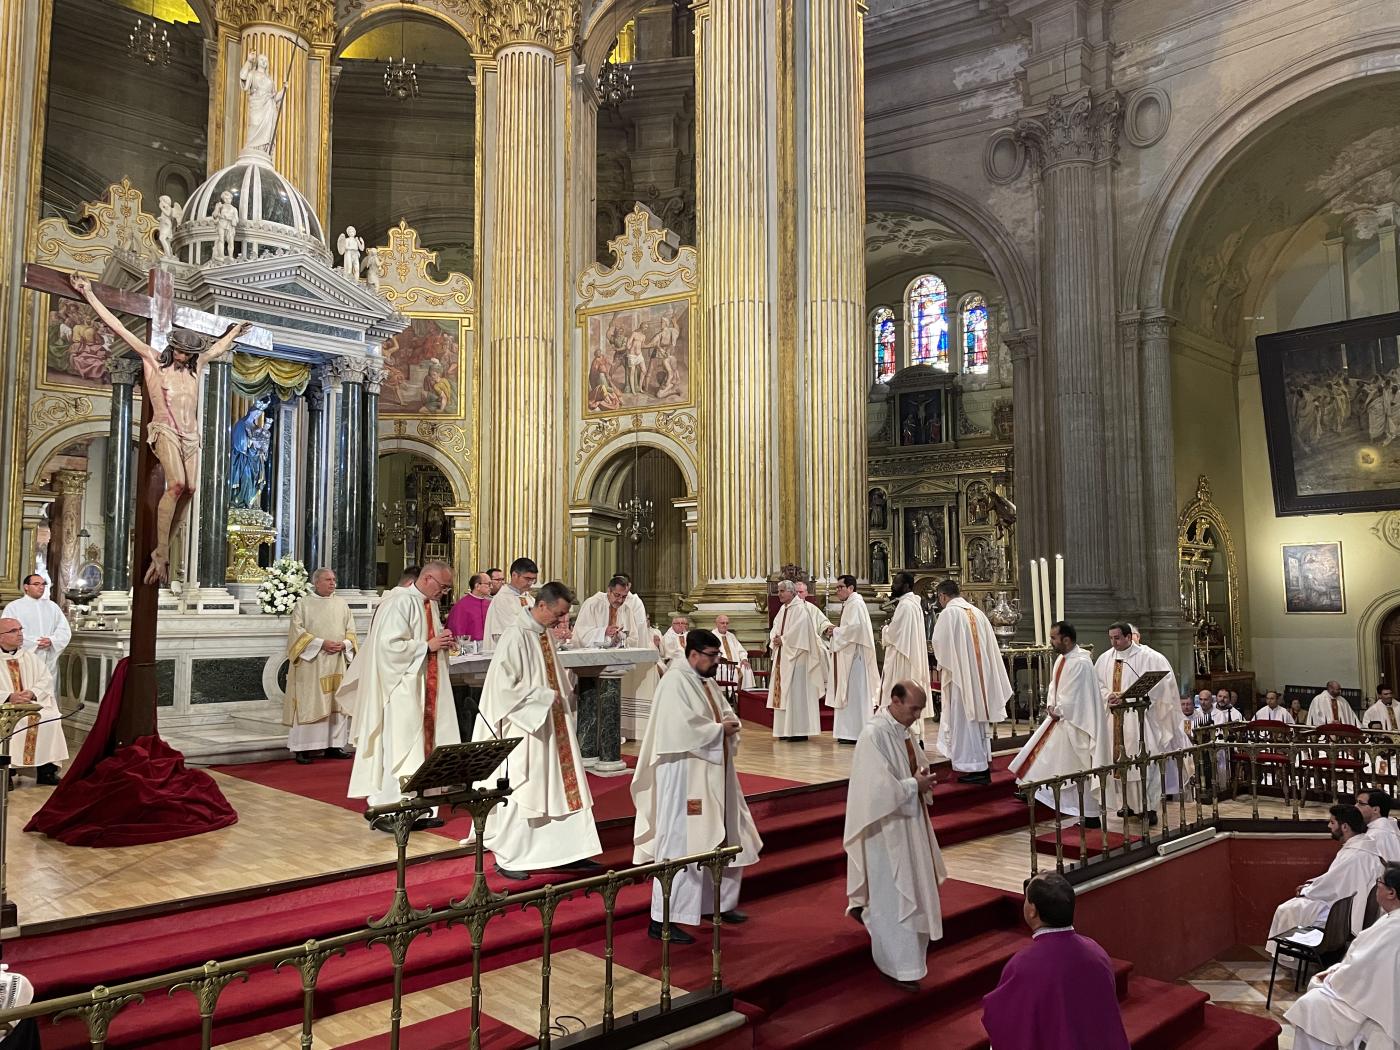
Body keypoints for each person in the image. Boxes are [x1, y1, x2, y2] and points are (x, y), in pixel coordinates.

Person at [70, 274, 250, 585]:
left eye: (188, 353)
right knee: (177, 484)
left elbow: (218, 348)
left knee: (191, 490)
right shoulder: (153, 362)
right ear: (172, 347)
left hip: (191, 437)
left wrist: (234, 331)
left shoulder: (196, 369)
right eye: (180, 351)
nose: (184, 356)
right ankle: (161, 550)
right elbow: (119, 328)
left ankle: (165, 548)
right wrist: (89, 293)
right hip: (165, 429)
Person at [630, 629, 762, 943]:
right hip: (684, 776)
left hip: (714, 770)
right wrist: (719, 730)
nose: (717, 662)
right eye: (712, 656)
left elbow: (724, 712)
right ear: (694, 655)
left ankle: (716, 903)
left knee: (726, 832)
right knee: (682, 842)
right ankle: (662, 918)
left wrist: (728, 726)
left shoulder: (704, 680)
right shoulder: (676, 682)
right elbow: (680, 728)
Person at [474, 582, 602, 880]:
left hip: (553, 726)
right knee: (526, 788)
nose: (560, 620)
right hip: (526, 730)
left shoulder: (542, 633)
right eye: (558, 613)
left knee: (561, 788)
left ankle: (566, 851)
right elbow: (502, 688)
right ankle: (511, 855)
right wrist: (543, 698)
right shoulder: (515, 636)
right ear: (542, 606)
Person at [844, 680, 946, 989]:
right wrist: (916, 785)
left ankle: (911, 960)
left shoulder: (904, 732)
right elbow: (876, 791)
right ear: (895, 701)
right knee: (894, 897)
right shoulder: (873, 735)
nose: (917, 715)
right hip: (886, 832)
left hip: (910, 824)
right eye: (913, 708)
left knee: (912, 890)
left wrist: (923, 780)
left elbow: (916, 768)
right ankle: (896, 964)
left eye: (920, 710)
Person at [347, 561, 461, 827]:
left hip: (425, 687)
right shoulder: (399, 602)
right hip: (400, 691)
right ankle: (388, 810)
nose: (444, 593)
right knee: (400, 748)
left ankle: (417, 809)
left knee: (422, 750)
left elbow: (427, 641)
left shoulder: (429, 604)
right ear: (428, 578)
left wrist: (442, 641)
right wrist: (428, 645)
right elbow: (388, 647)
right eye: (443, 587)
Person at [980, 873, 1131, 1050]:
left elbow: (1004, 1019)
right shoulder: (1096, 952)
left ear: (1032, 910)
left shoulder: (1024, 965)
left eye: (1026, 898)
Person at [1284, 861, 1400, 1050]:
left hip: (1382, 1009)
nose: (1376, 887)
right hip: (1385, 996)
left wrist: (1332, 977)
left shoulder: (1391, 930)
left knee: (1311, 1006)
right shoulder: (1392, 920)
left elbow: (1360, 973)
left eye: (1379, 883)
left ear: (1391, 893)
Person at [1010, 621, 1112, 828]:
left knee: (1076, 769)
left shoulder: (1081, 663)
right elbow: (1054, 686)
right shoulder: (1063, 659)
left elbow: (1078, 697)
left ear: (1066, 639)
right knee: (1045, 758)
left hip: (1076, 724)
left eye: (1054, 638)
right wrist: (1051, 704)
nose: (1051, 642)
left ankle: (1091, 816)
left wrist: (1060, 709)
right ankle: (1034, 790)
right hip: (1061, 718)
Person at [1094, 621, 1184, 821]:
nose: (1114, 642)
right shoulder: (1104, 659)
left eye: (1117, 638)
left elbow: (1163, 684)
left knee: (1144, 763)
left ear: (1128, 636)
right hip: (1114, 718)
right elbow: (1097, 684)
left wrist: (1136, 696)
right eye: (1111, 638)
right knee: (1119, 763)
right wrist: (1107, 695)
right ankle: (1126, 804)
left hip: (1141, 718)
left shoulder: (1150, 657)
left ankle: (1149, 807)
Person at [1268, 804, 1384, 954]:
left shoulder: (1354, 855)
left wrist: (1308, 889)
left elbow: (1332, 886)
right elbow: (1336, 879)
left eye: (1332, 822)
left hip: (1345, 914)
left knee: (1287, 909)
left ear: (1345, 827)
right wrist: (1313, 883)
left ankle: (1292, 959)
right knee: (1296, 907)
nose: (1329, 826)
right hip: (1351, 906)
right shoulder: (1363, 846)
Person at [931, 579, 1011, 784]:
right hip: (979, 677)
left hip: (961, 679)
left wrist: (943, 665)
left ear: (942, 596)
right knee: (976, 721)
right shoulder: (977, 612)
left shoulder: (949, 613)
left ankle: (973, 766)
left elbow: (939, 643)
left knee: (964, 720)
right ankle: (981, 763)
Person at [284, 568, 357, 764]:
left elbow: (351, 631)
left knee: (336, 703)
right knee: (310, 702)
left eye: (334, 579)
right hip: (312, 664)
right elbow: (297, 633)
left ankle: (334, 744)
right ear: (316, 583)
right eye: (328, 580)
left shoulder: (342, 604)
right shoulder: (304, 605)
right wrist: (321, 644)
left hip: (336, 662)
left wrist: (345, 644)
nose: (333, 583)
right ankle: (302, 748)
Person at [0, 617, 66, 786]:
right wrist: (9, 696)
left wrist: (32, 693)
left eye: (21, 629)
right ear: (1, 636)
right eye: (14, 631)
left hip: (31, 704)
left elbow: (46, 679)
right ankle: (5, 773)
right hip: (4, 707)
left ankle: (47, 771)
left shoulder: (29, 656)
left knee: (50, 717)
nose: (20, 634)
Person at [767, 579, 825, 741]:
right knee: (785, 693)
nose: (779, 594)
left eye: (781, 591)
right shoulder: (783, 609)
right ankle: (784, 730)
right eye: (778, 591)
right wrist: (775, 638)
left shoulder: (800, 609)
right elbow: (775, 628)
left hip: (797, 658)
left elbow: (801, 631)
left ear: (791, 592)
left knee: (795, 694)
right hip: (783, 657)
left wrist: (783, 640)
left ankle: (799, 731)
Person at [827, 575, 879, 745]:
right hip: (849, 655)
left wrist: (835, 631)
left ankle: (856, 732)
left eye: (840, 587)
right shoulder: (850, 603)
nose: (837, 591)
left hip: (854, 658)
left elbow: (855, 629)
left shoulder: (855, 603)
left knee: (854, 694)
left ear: (851, 588)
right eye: (837, 587)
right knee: (849, 694)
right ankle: (849, 732)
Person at [2, 573, 71, 682]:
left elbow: (64, 629)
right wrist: (35, 642)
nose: (41, 587)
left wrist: (51, 640)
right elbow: (7, 631)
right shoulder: (14, 607)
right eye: (36, 584)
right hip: (25, 655)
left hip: (49, 656)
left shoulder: (52, 607)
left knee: (49, 689)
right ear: (26, 587)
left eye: (43, 584)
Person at [879, 572, 929, 712]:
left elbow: (894, 634)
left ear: (906, 586)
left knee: (900, 693)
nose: (893, 586)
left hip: (902, 657)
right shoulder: (913, 604)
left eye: (896, 583)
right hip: (909, 652)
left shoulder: (905, 606)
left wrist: (885, 629)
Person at [484, 557, 538, 651]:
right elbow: (509, 630)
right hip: (507, 652)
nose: (530, 583)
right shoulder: (501, 600)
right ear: (514, 575)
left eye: (533, 579)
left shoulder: (530, 599)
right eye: (527, 578)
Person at [794, 580, 833, 697]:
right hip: (795, 643)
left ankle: (821, 688)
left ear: (806, 593)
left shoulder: (812, 608)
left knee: (821, 651)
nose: (798, 595)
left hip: (813, 641)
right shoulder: (787, 609)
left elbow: (823, 622)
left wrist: (827, 628)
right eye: (795, 592)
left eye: (800, 592)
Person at [1357, 788, 1400, 863]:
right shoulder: (1389, 828)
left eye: (1361, 804)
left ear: (1375, 809)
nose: (1355, 806)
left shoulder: (1376, 835)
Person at [713, 614, 755, 691]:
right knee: (728, 670)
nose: (725, 625)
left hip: (736, 664)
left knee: (747, 669)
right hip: (721, 665)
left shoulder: (731, 636)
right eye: (722, 623)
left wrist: (744, 659)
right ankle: (730, 694)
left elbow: (741, 650)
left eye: (727, 623)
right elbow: (712, 654)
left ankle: (745, 695)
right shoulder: (712, 636)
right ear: (717, 624)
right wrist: (726, 662)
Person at [446, 573, 492, 642]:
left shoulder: (489, 604)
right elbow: (457, 631)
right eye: (488, 584)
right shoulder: (461, 606)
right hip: (469, 648)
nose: (491, 587)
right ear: (477, 586)